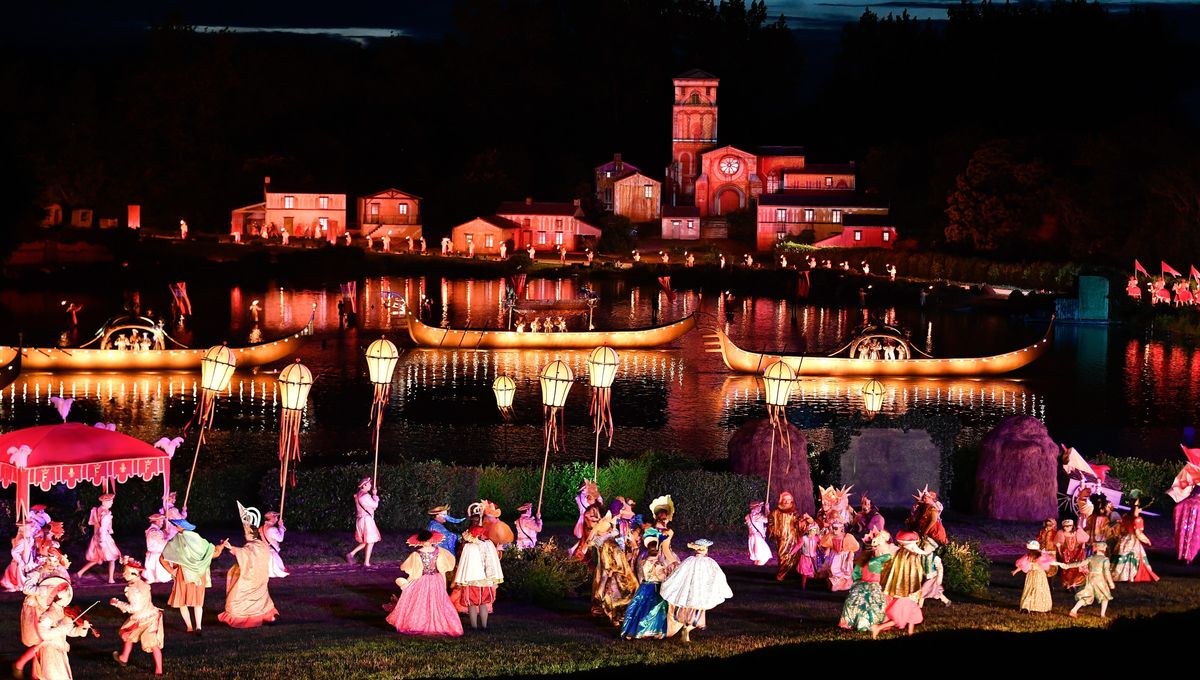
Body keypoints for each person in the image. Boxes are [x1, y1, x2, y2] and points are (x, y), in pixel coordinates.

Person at [386, 530, 462, 636]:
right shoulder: (439, 551)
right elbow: (442, 570)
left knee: (421, 602)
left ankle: (419, 624)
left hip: (423, 579)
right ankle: (437, 625)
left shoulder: (416, 554)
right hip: (436, 579)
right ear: (431, 538)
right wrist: (443, 585)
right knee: (436, 602)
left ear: (420, 540)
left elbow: (412, 570)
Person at [217, 504, 279, 628]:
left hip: (251, 577)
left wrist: (230, 547)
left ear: (251, 534)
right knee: (261, 597)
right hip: (259, 576)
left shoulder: (252, 546)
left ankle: (242, 617)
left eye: (246, 532)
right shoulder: (261, 544)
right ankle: (266, 615)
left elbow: (245, 554)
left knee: (235, 598)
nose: (244, 535)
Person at [660, 539, 732, 643]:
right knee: (698, 612)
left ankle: (686, 630)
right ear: (705, 549)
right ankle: (688, 630)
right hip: (701, 592)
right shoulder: (708, 562)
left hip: (689, 592)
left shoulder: (689, 561)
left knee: (688, 610)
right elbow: (716, 575)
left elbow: (680, 573)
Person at [160, 518, 223, 634]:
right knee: (198, 601)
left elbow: (162, 558)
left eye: (176, 525)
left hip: (182, 574)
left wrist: (171, 571)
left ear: (180, 527)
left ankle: (189, 627)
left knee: (182, 601)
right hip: (198, 574)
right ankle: (198, 626)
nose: (175, 527)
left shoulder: (176, 541)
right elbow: (213, 554)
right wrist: (221, 546)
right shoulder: (198, 540)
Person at [109, 557, 164, 675]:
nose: (123, 574)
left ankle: (158, 669)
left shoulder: (132, 589)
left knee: (132, 634)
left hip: (141, 618)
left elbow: (134, 608)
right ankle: (124, 658)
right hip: (151, 614)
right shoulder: (143, 583)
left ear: (132, 573)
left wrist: (117, 603)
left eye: (125, 572)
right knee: (131, 636)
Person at [620, 528, 677, 639]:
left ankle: (632, 630)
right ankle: (650, 630)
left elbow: (644, 574)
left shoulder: (644, 561)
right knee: (654, 608)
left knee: (639, 607)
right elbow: (660, 577)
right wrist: (667, 573)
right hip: (655, 587)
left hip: (644, 587)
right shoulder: (658, 564)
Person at [33, 578, 93, 680]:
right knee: (53, 676)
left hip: (61, 650)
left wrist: (82, 628)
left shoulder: (65, 613)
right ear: (59, 598)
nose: (69, 599)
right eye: (67, 595)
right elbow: (43, 634)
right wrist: (62, 628)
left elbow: (70, 631)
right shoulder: (47, 615)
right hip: (49, 651)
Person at [839, 531, 895, 631]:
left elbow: (856, 574)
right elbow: (889, 556)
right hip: (873, 585)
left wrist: (857, 583)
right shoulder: (877, 560)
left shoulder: (863, 560)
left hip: (861, 584)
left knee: (857, 603)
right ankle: (869, 623)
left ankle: (853, 622)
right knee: (873, 604)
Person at [589, 512, 638, 626]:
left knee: (614, 594)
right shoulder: (609, 545)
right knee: (616, 594)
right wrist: (615, 570)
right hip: (613, 572)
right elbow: (613, 560)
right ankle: (614, 616)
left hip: (611, 570)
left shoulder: (608, 543)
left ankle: (616, 615)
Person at [453, 526, 504, 629]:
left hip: (471, 580)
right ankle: (484, 626)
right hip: (485, 580)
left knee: (472, 604)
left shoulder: (469, 547)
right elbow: (494, 561)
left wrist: (461, 578)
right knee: (483, 603)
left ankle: (474, 627)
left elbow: (464, 563)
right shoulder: (489, 545)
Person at [1062, 542, 1116, 618]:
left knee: (1086, 595)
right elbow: (1107, 572)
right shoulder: (1105, 559)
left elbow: (1080, 563)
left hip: (1090, 578)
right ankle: (1102, 614)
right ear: (1104, 549)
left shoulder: (1091, 557)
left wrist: (1068, 566)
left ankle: (1074, 610)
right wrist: (1110, 583)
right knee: (1105, 596)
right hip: (1099, 579)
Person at [77, 493, 122, 583]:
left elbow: (94, 523)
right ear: (105, 502)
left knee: (97, 558)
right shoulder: (106, 513)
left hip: (96, 536)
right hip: (103, 537)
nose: (112, 503)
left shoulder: (96, 510)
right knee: (112, 557)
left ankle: (79, 573)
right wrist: (103, 541)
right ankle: (110, 579)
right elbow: (103, 528)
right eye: (110, 501)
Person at [1113, 493, 1158, 582]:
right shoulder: (1138, 519)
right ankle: (1131, 575)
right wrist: (1147, 541)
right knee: (1134, 555)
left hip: (1124, 539)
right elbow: (1138, 533)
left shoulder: (1125, 517)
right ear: (1139, 508)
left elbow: (1122, 529)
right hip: (1133, 540)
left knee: (1122, 554)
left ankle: (1120, 574)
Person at [881, 531, 933, 600]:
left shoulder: (899, 552)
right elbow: (917, 551)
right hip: (909, 564)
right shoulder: (911, 554)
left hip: (900, 566)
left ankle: (897, 590)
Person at [767, 492, 803, 581]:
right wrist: (775, 531)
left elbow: (799, 524)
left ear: (791, 501)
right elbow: (770, 521)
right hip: (782, 538)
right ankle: (782, 573)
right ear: (781, 500)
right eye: (785, 499)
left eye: (788, 499)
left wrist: (802, 523)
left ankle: (791, 574)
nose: (786, 501)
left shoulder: (794, 512)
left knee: (793, 556)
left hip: (792, 537)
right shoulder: (776, 512)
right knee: (782, 555)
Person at [1012, 540, 1056, 613]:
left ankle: (1028, 606)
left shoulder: (1029, 556)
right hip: (1039, 575)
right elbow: (1049, 562)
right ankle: (1039, 607)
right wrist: (1016, 571)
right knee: (1039, 590)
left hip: (1032, 575)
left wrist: (1016, 571)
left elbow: (1021, 565)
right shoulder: (1038, 556)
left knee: (1031, 590)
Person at [346, 477, 381, 567]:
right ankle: (366, 562)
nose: (371, 485)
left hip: (362, 519)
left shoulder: (359, 494)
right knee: (371, 540)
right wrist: (374, 495)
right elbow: (375, 505)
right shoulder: (365, 496)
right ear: (364, 485)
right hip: (366, 520)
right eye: (369, 484)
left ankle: (351, 554)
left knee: (367, 541)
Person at [824, 520, 860, 592]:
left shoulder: (847, 536)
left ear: (841, 528)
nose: (834, 530)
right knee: (833, 567)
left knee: (845, 569)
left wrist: (850, 554)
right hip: (835, 554)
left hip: (844, 555)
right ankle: (835, 584)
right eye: (833, 528)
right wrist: (827, 550)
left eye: (836, 528)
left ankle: (844, 585)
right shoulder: (830, 535)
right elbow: (828, 544)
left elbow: (852, 546)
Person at [1055, 518, 1089, 589]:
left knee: (1076, 567)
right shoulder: (1061, 533)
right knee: (1067, 568)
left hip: (1077, 553)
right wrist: (1060, 553)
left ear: (1072, 526)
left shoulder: (1077, 532)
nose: (1067, 527)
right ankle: (1067, 584)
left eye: (1069, 526)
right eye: (1065, 526)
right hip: (1066, 554)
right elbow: (1058, 544)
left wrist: (1082, 551)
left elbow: (1083, 542)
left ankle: (1075, 583)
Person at [2, 523, 34, 592]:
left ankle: (23, 585)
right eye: (29, 529)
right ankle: (22, 586)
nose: (31, 530)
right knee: (21, 574)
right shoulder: (22, 540)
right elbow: (14, 552)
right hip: (23, 561)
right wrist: (21, 561)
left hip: (27, 559)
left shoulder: (27, 538)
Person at [142, 514, 173, 585]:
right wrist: (168, 536)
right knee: (155, 576)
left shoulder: (154, 530)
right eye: (161, 521)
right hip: (156, 555)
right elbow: (163, 542)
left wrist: (165, 533)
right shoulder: (154, 531)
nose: (162, 523)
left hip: (156, 554)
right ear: (157, 521)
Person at [259, 511, 289, 579]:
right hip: (271, 552)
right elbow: (280, 539)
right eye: (276, 518)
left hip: (265, 550)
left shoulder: (261, 528)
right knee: (278, 570)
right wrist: (281, 527)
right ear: (272, 518)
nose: (277, 519)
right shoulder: (272, 529)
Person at [745, 501, 771, 567]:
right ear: (754, 507)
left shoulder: (748, 516)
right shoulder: (757, 516)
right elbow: (769, 520)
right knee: (764, 557)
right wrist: (767, 509)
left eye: (760, 507)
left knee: (758, 558)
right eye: (758, 506)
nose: (760, 508)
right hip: (757, 538)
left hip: (752, 538)